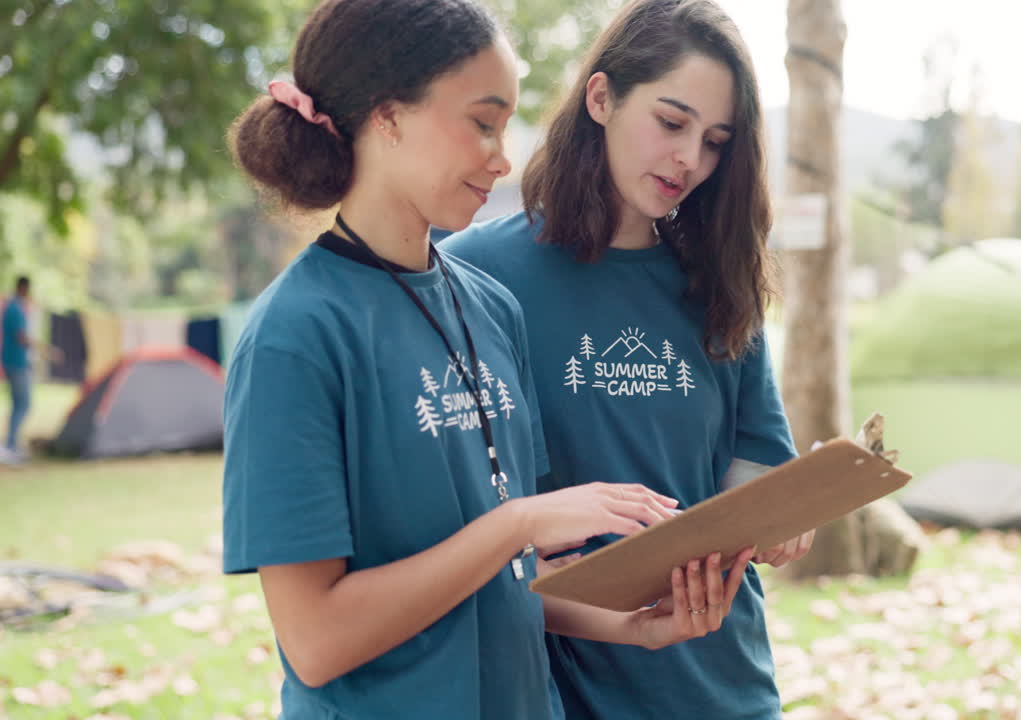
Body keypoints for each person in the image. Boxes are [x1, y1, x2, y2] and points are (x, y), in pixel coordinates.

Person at [221, 1, 752, 717]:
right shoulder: (295, 336)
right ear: (388, 115)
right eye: (481, 122)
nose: (502, 157)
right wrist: (521, 522)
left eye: (505, 129)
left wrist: (632, 628)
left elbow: (510, 578)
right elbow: (315, 641)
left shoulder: (490, 306)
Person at [443, 1, 811, 717]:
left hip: (721, 684)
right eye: (672, 123)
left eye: (715, 141)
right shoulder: (470, 277)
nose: (690, 159)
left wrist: (788, 512)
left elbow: (754, 470)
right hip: (554, 689)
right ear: (602, 97)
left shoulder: (720, 284)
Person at [3, 276, 33, 462]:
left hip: (12, 361)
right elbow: (21, 337)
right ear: (23, 288)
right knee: (23, 403)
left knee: (18, 404)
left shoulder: (12, 307)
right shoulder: (15, 308)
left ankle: (11, 443)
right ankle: (11, 444)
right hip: (16, 362)